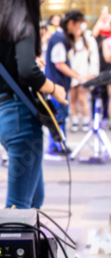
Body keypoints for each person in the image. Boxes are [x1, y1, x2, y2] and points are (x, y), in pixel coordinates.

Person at [0, 0, 67, 209]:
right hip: (21, 120)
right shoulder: (24, 25)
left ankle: (25, 241)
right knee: (18, 207)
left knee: (33, 200)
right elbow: (27, 71)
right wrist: (54, 88)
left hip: (5, 116)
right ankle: (6, 242)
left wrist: (28, 63)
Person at [45, 10, 93, 156]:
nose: (79, 30)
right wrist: (79, 77)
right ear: (71, 23)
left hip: (58, 86)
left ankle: (60, 145)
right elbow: (59, 63)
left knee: (60, 117)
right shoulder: (60, 38)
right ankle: (57, 146)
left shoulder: (62, 38)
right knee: (58, 117)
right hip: (56, 86)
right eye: (78, 26)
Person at [68, 25, 99, 132]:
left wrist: (92, 74)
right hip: (71, 74)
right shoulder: (68, 41)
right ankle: (75, 121)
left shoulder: (89, 40)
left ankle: (86, 120)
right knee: (72, 99)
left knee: (83, 98)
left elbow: (94, 59)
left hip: (84, 74)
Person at [92, 7, 111, 126]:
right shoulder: (104, 40)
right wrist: (102, 17)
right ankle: (106, 118)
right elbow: (107, 57)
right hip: (105, 69)